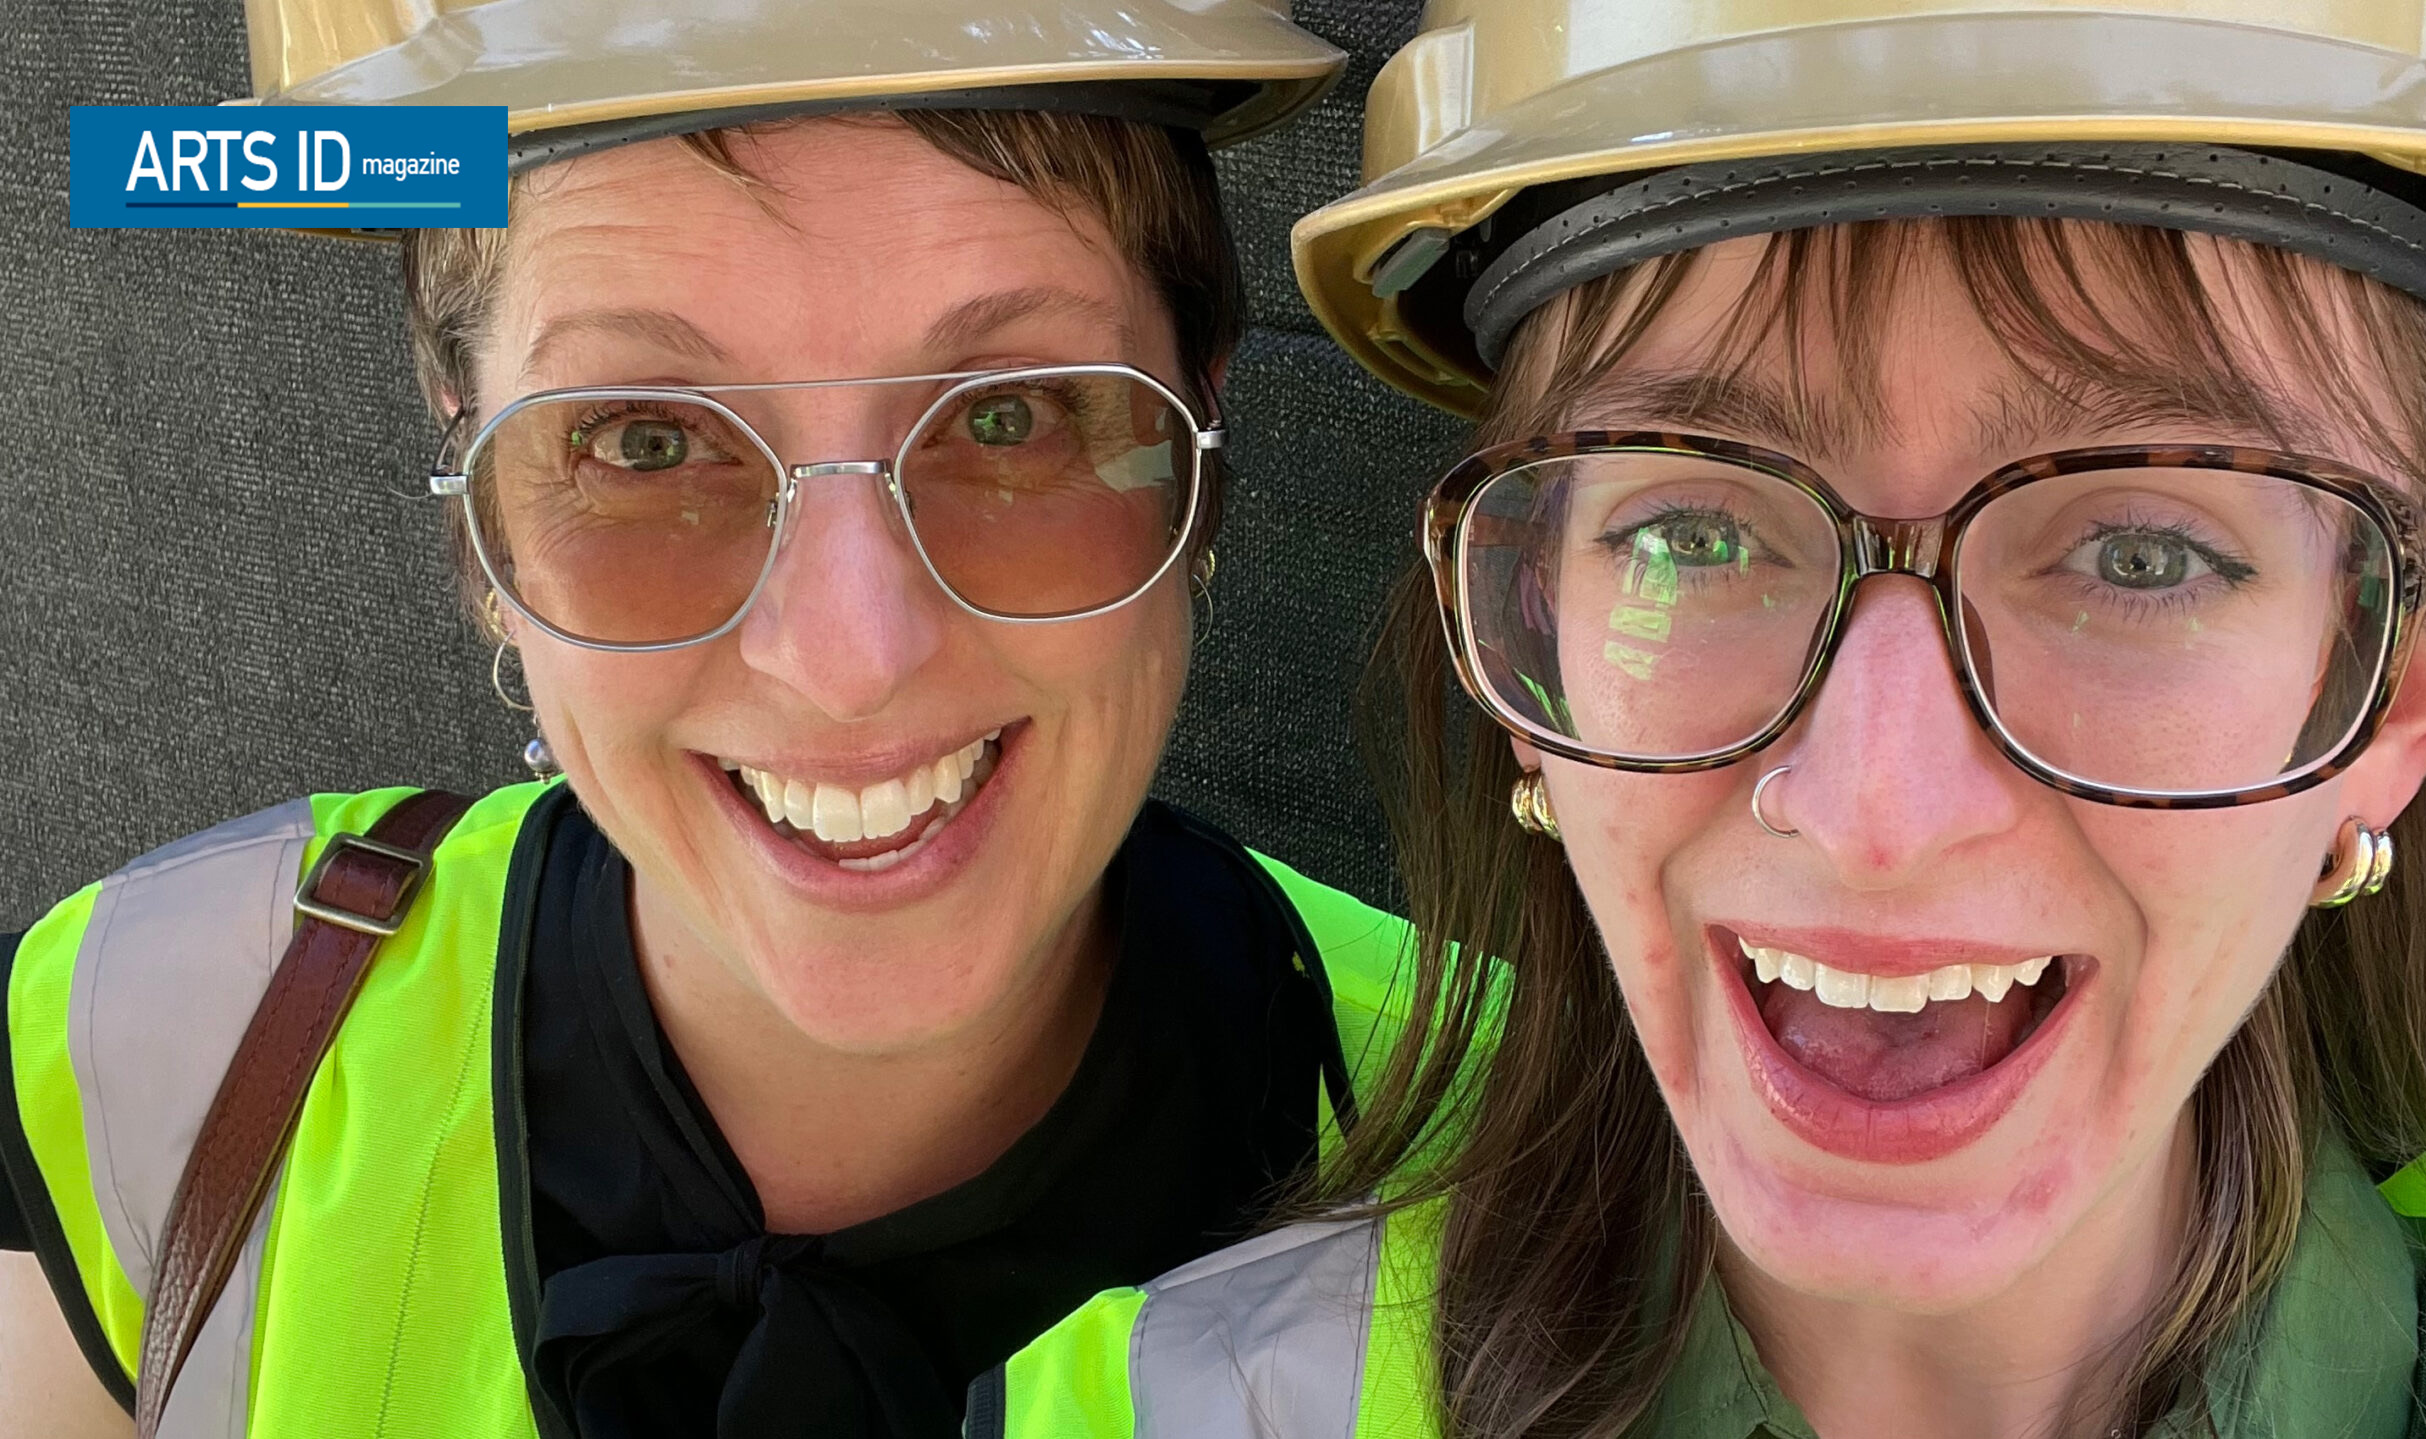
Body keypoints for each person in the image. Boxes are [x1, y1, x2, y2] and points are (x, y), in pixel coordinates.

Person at [974, 3, 2426, 1436]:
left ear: (2399, 687)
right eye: (1696, 533)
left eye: (2143, 556)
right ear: (1532, 651)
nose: (1878, 813)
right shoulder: (1156, 1407)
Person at [0, 4, 1421, 1437]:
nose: (848, 659)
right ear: (481, 508)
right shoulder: (141, 1044)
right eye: (644, 442)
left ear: (1205, 447)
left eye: (1014, 418)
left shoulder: (1546, 1146)